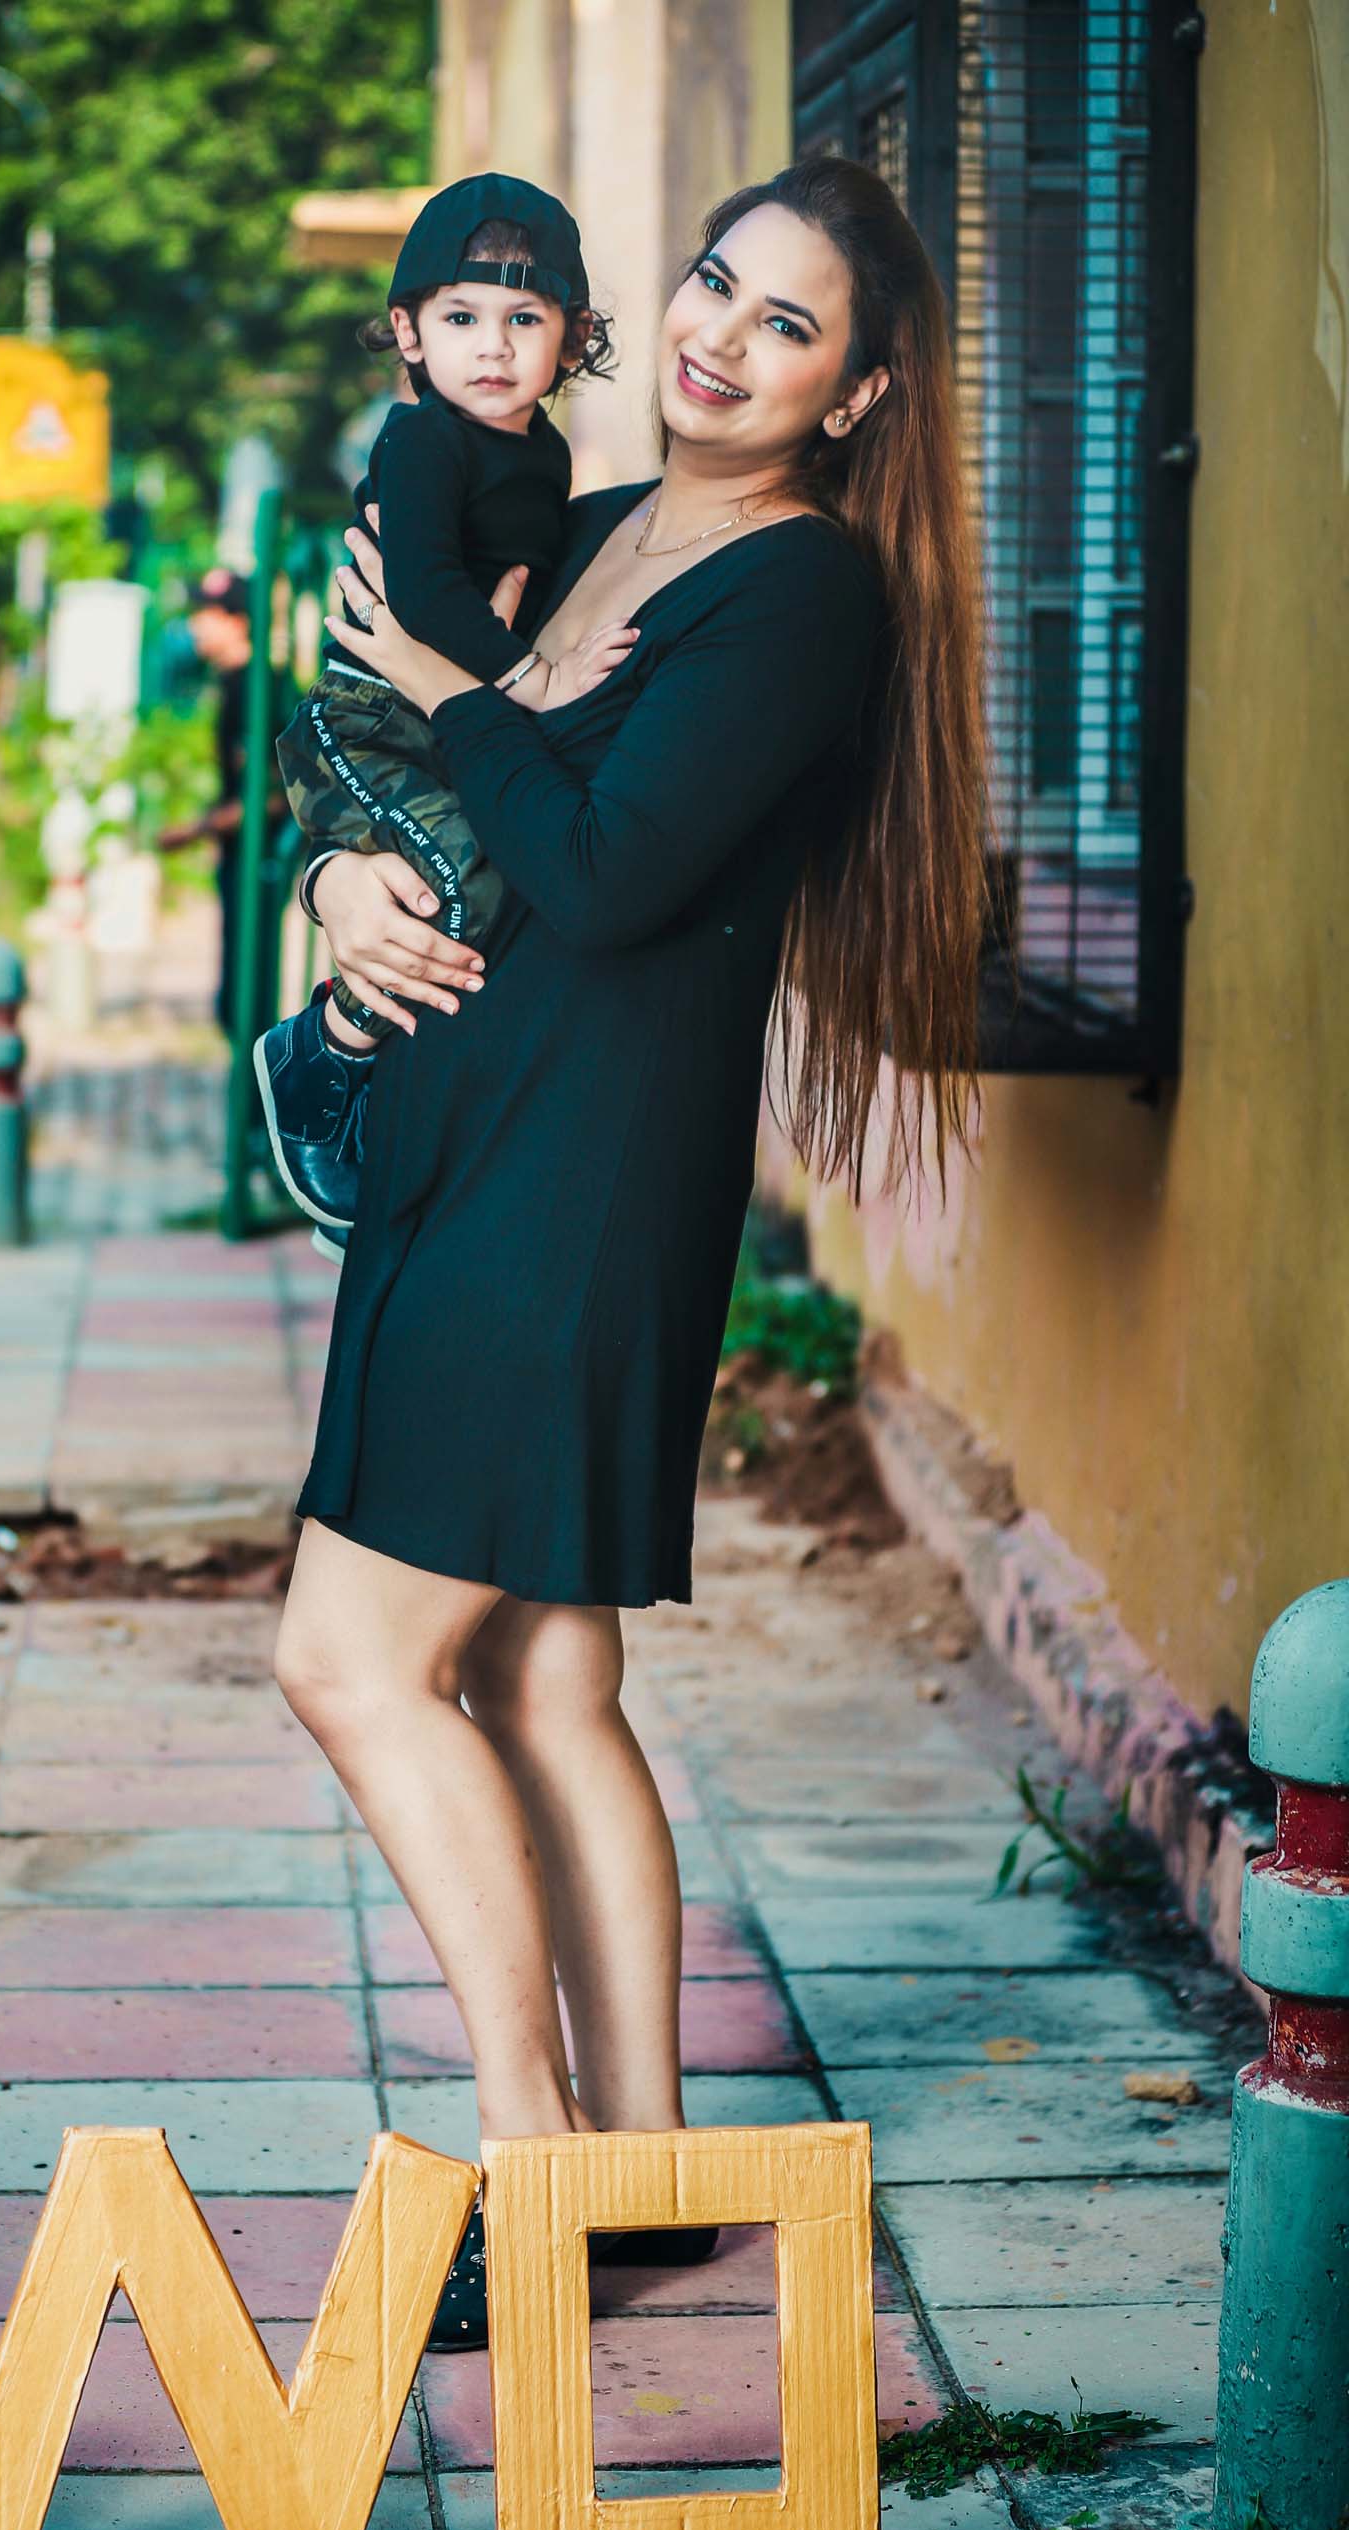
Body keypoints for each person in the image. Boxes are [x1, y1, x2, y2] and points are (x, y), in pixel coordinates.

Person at [272, 158, 987, 2347]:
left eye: (786, 326)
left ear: (855, 395)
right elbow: (390, 772)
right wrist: (333, 887)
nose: (718, 337)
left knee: (351, 1661)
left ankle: (544, 2159)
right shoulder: (582, 525)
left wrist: (449, 691)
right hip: (467, 1149)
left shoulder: (801, 598)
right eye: (712, 284)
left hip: (577, 1189)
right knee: (540, 1674)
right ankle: (650, 2172)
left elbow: (596, 871)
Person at [258, 174, 632, 1251]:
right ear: (410, 334)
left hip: (442, 721)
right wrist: (530, 681)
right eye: (460, 318)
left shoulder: (546, 456)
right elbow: (420, 597)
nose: (492, 347)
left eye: (525, 320)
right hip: (371, 721)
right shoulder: (422, 441)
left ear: (572, 340)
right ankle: (324, 1054)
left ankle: (385, 1119)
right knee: (461, 886)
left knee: (490, 888)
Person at [158, 569, 261, 1037]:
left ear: (239, 621)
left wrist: (195, 830)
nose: (196, 624)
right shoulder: (231, 682)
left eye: (208, 613)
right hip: (237, 853)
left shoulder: (255, 689)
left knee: (245, 992)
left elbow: (272, 794)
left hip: (257, 859)